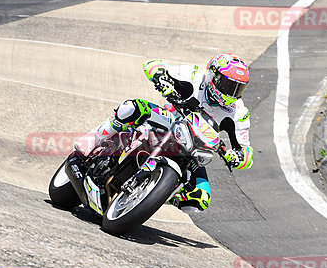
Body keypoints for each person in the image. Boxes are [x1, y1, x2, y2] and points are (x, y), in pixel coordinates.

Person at [75, 53, 253, 212]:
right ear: (214, 75)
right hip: (168, 121)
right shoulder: (195, 75)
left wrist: (238, 158)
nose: (232, 93)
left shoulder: (239, 112)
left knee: (200, 199)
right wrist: (161, 78)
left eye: (239, 88)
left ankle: (153, 195)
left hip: (194, 149)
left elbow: (246, 152)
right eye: (229, 85)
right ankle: (94, 138)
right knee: (131, 108)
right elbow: (152, 64)